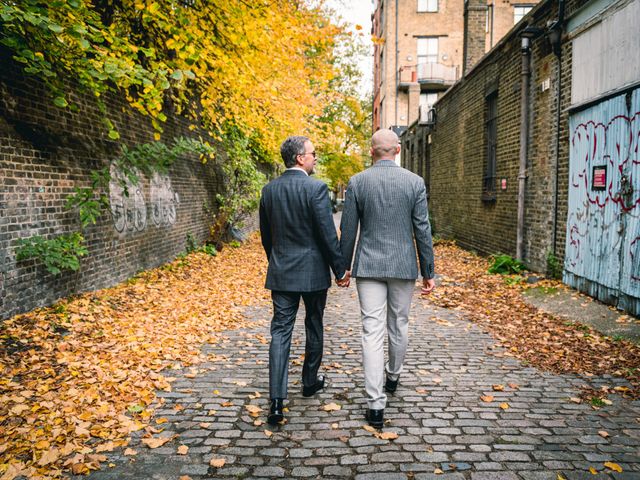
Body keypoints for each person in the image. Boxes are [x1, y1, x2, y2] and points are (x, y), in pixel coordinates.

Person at [339, 128, 435, 429]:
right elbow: (423, 230)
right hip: (403, 266)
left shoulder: (358, 182)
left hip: (368, 267)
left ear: (371, 151)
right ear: (398, 150)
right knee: (399, 323)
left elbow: (349, 231)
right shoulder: (414, 182)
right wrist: (428, 270)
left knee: (371, 329)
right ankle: (393, 375)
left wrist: (342, 268)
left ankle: (375, 403)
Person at [259, 135, 350, 425]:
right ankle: (309, 382)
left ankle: (276, 401)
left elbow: (266, 236)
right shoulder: (316, 189)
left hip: (282, 272)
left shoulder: (269, 190)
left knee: (280, 332)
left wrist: (277, 260)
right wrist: (340, 270)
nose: (315, 158)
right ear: (300, 158)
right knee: (314, 324)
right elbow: (326, 234)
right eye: (312, 154)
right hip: (312, 273)